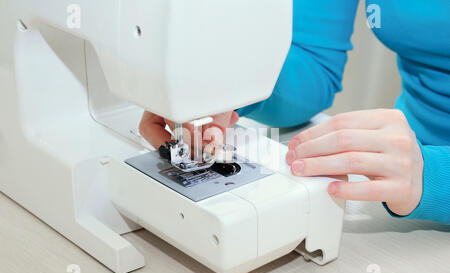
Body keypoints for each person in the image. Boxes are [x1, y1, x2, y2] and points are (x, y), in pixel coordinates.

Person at [139, 0, 450, 225]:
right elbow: (314, 59)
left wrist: (434, 176)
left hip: (418, 182)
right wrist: (231, 87)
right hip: (398, 170)